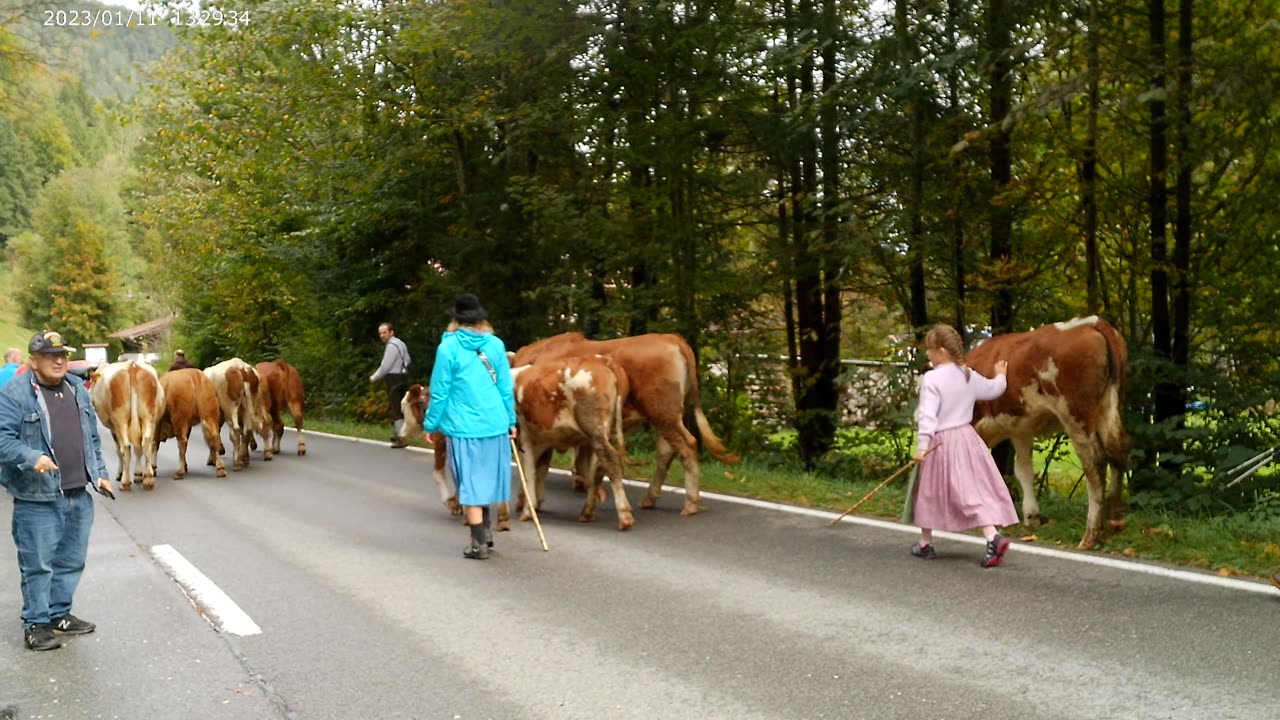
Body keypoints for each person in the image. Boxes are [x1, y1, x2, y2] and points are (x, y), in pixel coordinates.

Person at [0, 330, 114, 651]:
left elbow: (91, 437)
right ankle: (36, 624)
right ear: (34, 362)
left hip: (79, 491)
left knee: (71, 560)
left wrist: (101, 474)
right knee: (37, 564)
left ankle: (59, 613)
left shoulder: (77, 388)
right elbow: (2, 440)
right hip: (36, 496)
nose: (59, 360)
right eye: (51, 356)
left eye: (62, 355)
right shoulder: (14, 393)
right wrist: (30, 456)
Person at [910, 323, 1018, 568]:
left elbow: (928, 416)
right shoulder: (967, 374)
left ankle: (989, 537)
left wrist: (922, 446)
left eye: (929, 349)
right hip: (968, 439)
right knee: (971, 489)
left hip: (942, 443)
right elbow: (994, 390)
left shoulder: (932, 378)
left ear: (941, 351)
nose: (927, 354)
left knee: (930, 491)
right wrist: (1001, 375)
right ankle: (927, 541)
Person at [421, 294, 516, 560]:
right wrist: (511, 420)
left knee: (470, 483)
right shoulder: (496, 345)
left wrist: (431, 423)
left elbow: (439, 391)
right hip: (495, 423)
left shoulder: (448, 348)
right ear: (481, 319)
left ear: (456, 320)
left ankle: (478, 545)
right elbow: (505, 388)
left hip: (463, 427)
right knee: (485, 479)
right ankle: (485, 533)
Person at [370, 322, 412, 448]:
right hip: (403, 376)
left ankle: (401, 437)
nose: (382, 335)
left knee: (396, 407)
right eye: (380, 333)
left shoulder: (391, 346)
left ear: (391, 332)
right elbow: (408, 360)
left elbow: (385, 365)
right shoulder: (401, 343)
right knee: (403, 406)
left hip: (394, 377)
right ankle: (402, 432)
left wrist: (374, 377)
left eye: (384, 332)